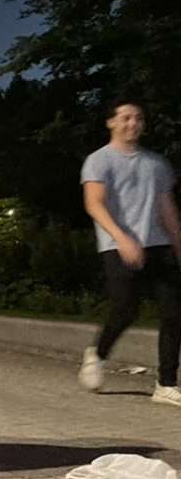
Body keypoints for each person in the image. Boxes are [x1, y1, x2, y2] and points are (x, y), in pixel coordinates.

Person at [77, 98, 181, 406]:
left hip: (158, 244)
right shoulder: (99, 160)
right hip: (117, 245)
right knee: (125, 309)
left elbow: (166, 207)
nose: (132, 123)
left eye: (138, 118)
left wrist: (178, 242)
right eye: (125, 118)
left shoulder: (157, 164)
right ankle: (97, 354)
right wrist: (122, 238)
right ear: (111, 122)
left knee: (174, 313)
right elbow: (94, 203)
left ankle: (166, 384)